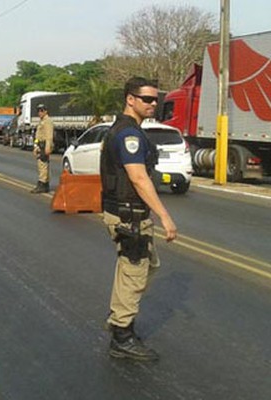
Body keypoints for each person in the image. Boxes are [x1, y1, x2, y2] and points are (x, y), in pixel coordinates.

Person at [100, 77, 177, 361]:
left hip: (127, 213)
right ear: (130, 99)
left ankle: (120, 318)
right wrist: (165, 215)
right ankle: (122, 336)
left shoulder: (129, 130)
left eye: (156, 99)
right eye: (147, 99)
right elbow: (138, 177)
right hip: (128, 214)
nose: (153, 104)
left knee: (141, 267)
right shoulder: (127, 135)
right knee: (134, 271)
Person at [30, 104, 54, 193]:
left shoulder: (47, 121)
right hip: (40, 145)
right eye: (38, 111)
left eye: (41, 110)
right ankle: (44, 183)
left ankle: (42, 184)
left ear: (46, 111)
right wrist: (35, 146)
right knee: (41, 164)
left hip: (44, 145)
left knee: (43, 165)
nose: (39, 112)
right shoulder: (41, 121)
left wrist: (48, 147)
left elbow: (49, 136)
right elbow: (37, 135)